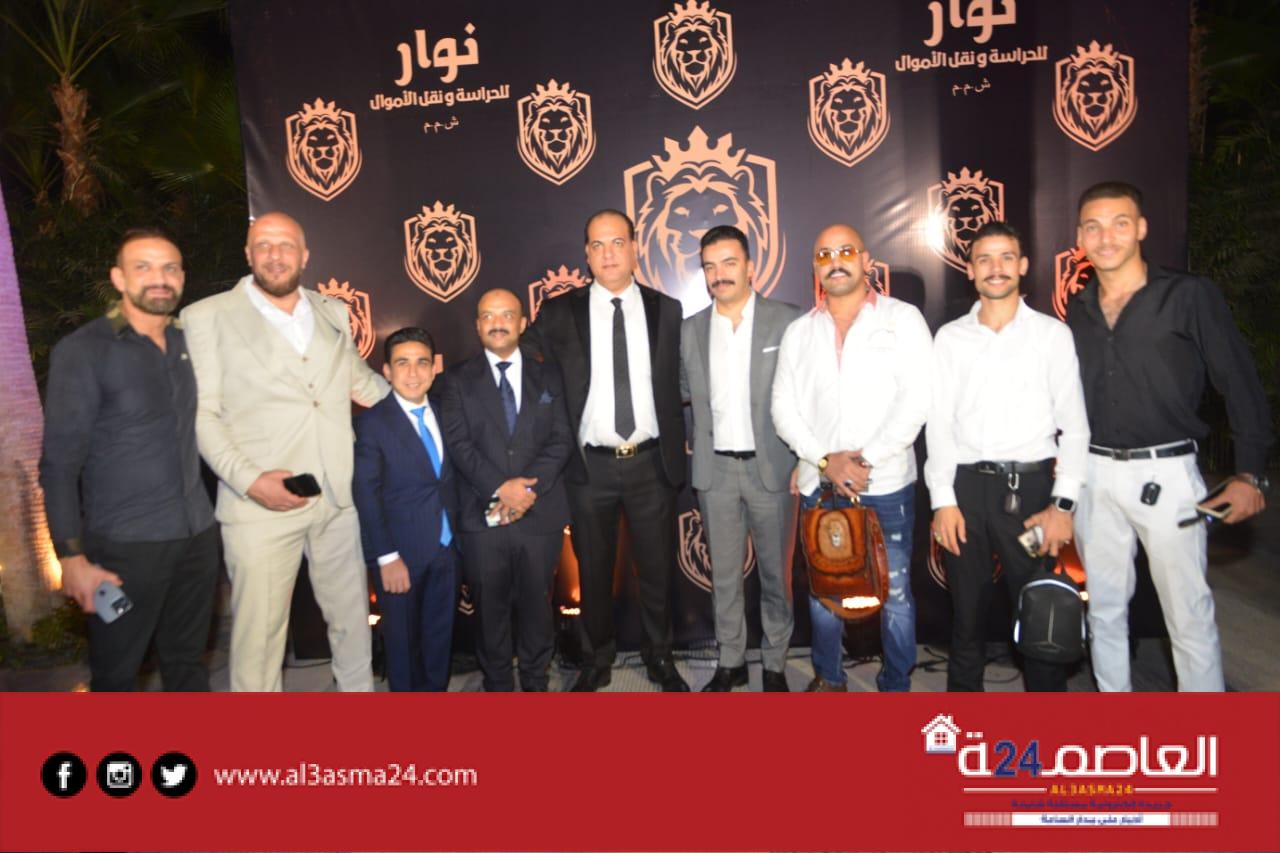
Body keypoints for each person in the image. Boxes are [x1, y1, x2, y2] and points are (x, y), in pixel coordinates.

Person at [1067, 181, 1273, 692]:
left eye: (1119, 223)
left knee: (1187, 614)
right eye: (1094, 227)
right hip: (1095, 474)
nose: (1106, 237)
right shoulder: (1078, 308)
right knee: (1104, 611)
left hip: (1169, 474)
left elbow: (1240, 382)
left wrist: (1249, 473)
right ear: (1080, 239)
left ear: (1141, 228)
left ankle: (1202, 730)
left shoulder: (1188, 295)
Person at [181, 211, 389, 692]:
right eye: (264, 245)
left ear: (305, 255)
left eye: (286, 245)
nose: (275, 255)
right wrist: (251, 481)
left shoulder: (332, 311)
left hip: (336, 498)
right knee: (259, 643)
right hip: (260, 506)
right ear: (248, 254)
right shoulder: (205, 316)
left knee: (353, 627)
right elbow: (201, 416)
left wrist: (425, 407)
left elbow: (362, 384)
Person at [39, 227, 218, 691]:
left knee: (189, 667)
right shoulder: (84, 351)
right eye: (143, 267)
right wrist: (71, 557)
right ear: (118, 278)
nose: (159, 278)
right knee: (116, 676)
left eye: (170, 268)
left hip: (197, 539)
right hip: (122, 550)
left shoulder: (192, 344)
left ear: (182, 278)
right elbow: (59, 464)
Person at [522, 209, 689, 691]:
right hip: (588, 466)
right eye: (597, 245)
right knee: (592, 572)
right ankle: (596, 660)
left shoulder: (667, 309)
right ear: (587, 255)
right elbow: (520, 362)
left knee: (657, 570)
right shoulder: (560, 312)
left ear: (635, 248)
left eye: (617, 242)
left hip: (651, 462)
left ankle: (660, 656)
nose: (608, 253)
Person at [925, 222, 1090, 692]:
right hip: (966, 492)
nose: (995, 268)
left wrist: (1062, 506)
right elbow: (939, 424)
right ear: (970, 271)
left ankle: (1047, 731)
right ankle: (961, 730)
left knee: (1040, 613)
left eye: (1005, 257)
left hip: (1033, 495)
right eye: (984, 259)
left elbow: (1076, 428)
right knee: (966, 619)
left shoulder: (1052, 336)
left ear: (1023, 266)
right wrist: (943, 500)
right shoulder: (950, 338)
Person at [772, 223, 932, 692]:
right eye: (824, 255)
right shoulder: (800, 332)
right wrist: (825, 461)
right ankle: (829, 676)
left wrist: (864, 461)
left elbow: (917, 399)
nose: (835, 261)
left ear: (866, 261)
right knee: (825, 589)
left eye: (845, 251)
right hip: (821, 484)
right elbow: (782, 407)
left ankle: (896, 681)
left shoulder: (902, 319)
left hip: (885, 484)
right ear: (815, 268)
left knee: (895, 591)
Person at [680, 225, 801, 692]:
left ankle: (775, 664)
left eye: (729, 263)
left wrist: (806, 459)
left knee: (776, 577)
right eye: (710, 266)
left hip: (773, 468)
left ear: (750, 266)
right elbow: (681, 392)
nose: (719, 274)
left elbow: (807, 394)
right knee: (724, 578)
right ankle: (730, 662)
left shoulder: (787, 321)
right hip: (714, 472)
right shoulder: (690, 330)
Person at [439, 290, 574, 691]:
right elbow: (458, 444)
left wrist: (527, 489)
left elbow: (562, 438)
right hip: (482, 515)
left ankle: (535, 682)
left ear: (522, 323)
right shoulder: (455, 381)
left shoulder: (550, 375)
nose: (497, 323)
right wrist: (501, 488)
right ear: (477, 325)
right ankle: (497, 685)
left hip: (539, 510)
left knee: (538, 606)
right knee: (489, 611)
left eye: (506, 315)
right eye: (488, 316)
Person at [353, 328, 458, 691]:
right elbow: (366, 494)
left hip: (447, 551)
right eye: (402, 363)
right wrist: (386, 557)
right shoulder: (372, 423)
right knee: (403, 650)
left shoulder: (447, 412)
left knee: (439, 645)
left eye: (421, 363)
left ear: (434, 368)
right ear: (386, 371)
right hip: (400, 557)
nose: (413, 373)